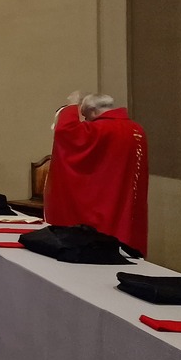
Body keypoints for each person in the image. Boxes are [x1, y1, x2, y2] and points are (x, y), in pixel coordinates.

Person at [45, 91, 149, 255]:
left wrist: (72, 106)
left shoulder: (100, 129)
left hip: (102, 202)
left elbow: (66, 131)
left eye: (86, 117)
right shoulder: (137, 129)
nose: (86, 121)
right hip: (124, 197)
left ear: (93, 111)